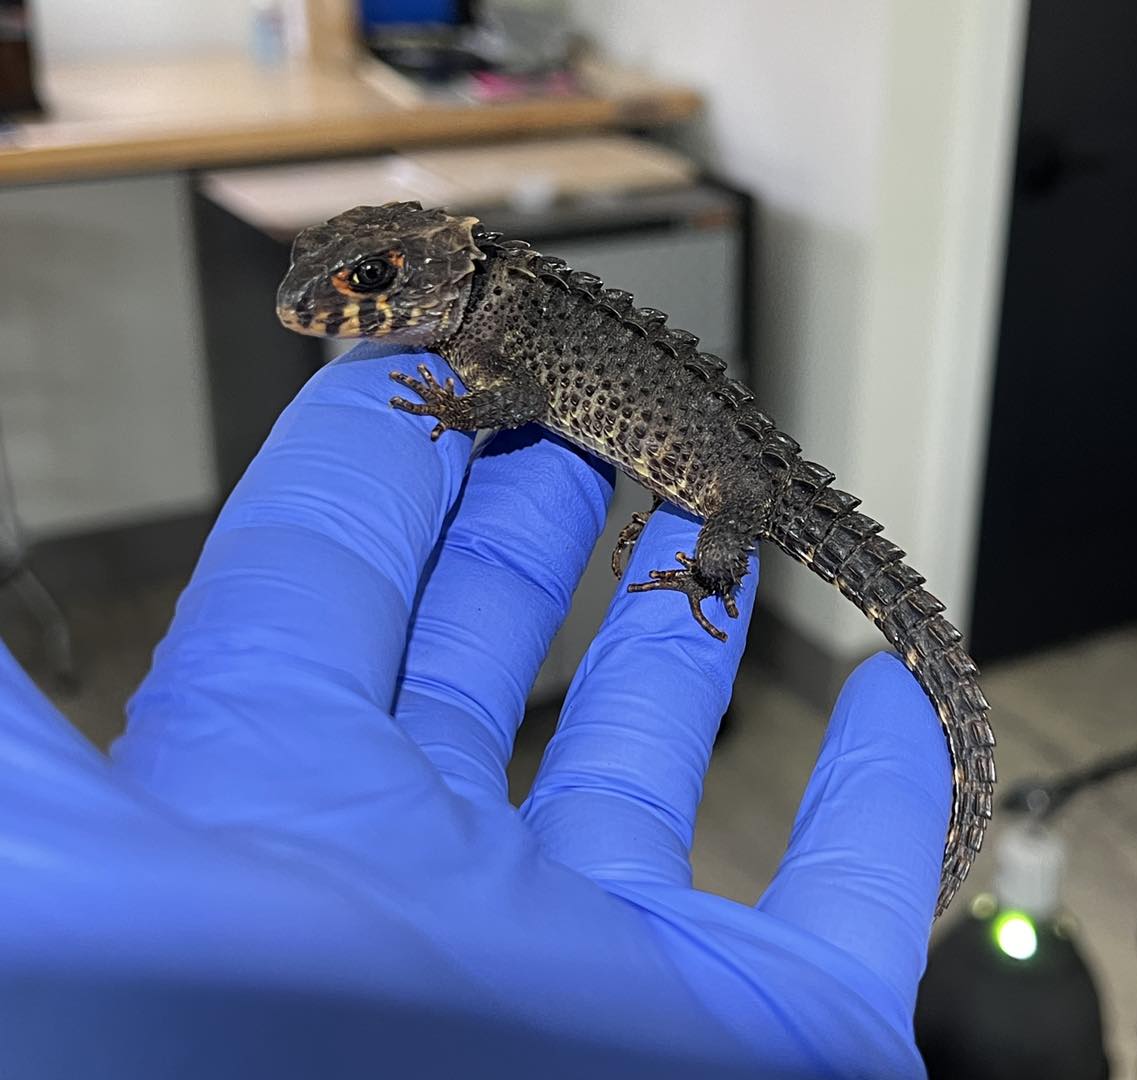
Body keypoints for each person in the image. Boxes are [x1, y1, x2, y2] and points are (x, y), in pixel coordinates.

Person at [0, 349, 953, 1078]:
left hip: (736, 489)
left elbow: (526, 396)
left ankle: (702, 559)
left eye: (369, 280)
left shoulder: (507, 330)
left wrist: (464, 410)